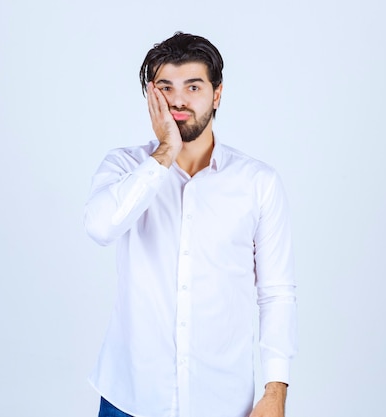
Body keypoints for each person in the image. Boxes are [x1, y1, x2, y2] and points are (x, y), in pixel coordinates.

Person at [84, 32, 297, 417]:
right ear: (151, 96)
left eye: (193, 86)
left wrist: (275, 390)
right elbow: (101, 228)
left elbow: (276, 292)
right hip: (131, 398)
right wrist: (165, 151)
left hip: (224, 402)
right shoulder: (124, 168)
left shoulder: (258, 183)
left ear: (217, 94)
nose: (178, 100)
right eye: (165, 87)